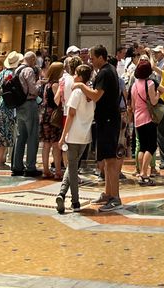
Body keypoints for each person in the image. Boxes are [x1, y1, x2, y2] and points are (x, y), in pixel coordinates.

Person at [55, 63, 95, 214]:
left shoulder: (77, 92)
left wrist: (63, 136)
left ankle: (75, 201)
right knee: (73, 166)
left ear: (80, 77)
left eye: (76, 74)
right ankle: (62, 194)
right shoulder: (90, 93)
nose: (74, 76)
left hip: (73, 134)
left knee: (72, 168)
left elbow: (71, 114)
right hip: (85, 135)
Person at [87, 45, 123, 212]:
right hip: (107, 119)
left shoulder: (104, 72)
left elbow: (95, 95)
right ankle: (108, 193)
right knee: (107, 160)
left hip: (108, 119)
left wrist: (80, 87)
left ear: (101, 57)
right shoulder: (109, 70)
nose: (90, 61)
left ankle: (115, 197)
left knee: (110, 160)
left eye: (92, 58)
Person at [129, 58, 160, 186]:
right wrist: (158, 94)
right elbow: (153, 101)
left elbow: (133, 105)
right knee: (151, 146)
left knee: (142, 146)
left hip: (138, 118)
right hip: (148, 118)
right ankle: (144, 173)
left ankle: (141, 172)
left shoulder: (134, 85)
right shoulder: (150, 84)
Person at [11, 51, 42, 177]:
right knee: (32, 136)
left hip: (19, 105)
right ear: (33, 59)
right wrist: (39, 85)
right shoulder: (28, 71)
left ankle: (17, 166)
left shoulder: (17, 70)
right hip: (29, 104)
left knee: (20, 136)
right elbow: (33, 89)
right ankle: (30, 167)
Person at [0, 51, 20, 169]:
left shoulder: (3, 72)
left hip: (2, 104)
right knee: (6, 132)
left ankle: (0, 159)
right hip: (10, 106)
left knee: (0, 131)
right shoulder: (14, 75)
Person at [39, 61, 64, 180]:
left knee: (46, 144)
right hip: (53, 116)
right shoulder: (55, 85)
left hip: (44, 115)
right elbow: (57, 101)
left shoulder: (47, 84)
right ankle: (58, 171)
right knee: (55, 144)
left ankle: (45, 170)